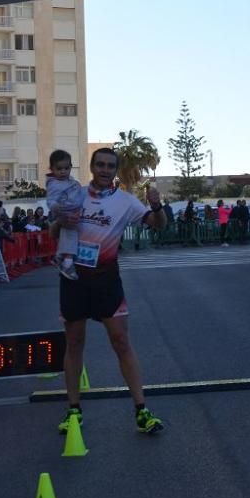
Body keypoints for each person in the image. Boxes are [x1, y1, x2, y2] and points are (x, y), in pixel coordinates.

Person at [55, 147, 167, 436]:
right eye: (100, 164)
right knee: (75, 343)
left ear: (116, 171)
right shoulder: (73, 195)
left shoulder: (126, 202)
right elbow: (53, 233)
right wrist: (60, 223)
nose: (105, 170)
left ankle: (141, 410)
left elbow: (157, 225)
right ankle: (73, 411)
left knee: (120, 341)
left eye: (110, 166)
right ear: (92, 167)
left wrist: (157, 207)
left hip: (106, 281)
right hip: (73, 280)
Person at [46, 149, 86, 281]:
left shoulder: (71, 181)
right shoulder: (54, 184)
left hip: (75, 209)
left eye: (66, 168)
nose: (63, 171)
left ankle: (60, 255)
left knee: (73, 232)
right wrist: (55, 208)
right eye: (59, 168)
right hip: (64, 210)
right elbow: (51, 200)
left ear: (71, 167)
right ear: (52, 169)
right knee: (70, 230)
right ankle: (67, 262)